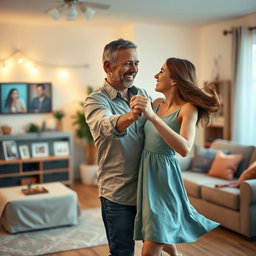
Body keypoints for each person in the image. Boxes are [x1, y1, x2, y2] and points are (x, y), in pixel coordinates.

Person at [130, 57, 220, 256]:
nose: (155, 75)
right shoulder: (156, 103)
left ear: (173, 80)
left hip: (164, 180)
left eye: (161, 71)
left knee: (150, 246)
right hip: (146, 178)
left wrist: (152, 118)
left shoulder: (188, 109)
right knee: (156, 230)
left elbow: (185, 148)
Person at [84, 38, 151, 256]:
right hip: (117, 195)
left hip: (147, 191)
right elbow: (105, 125)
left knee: (155, 247)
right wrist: (132, 115)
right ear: (107, 66)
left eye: (136, 63)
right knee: (122, 252)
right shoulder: (96, 100)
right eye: (128, 63)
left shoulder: (143, 95)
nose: (134, 69)